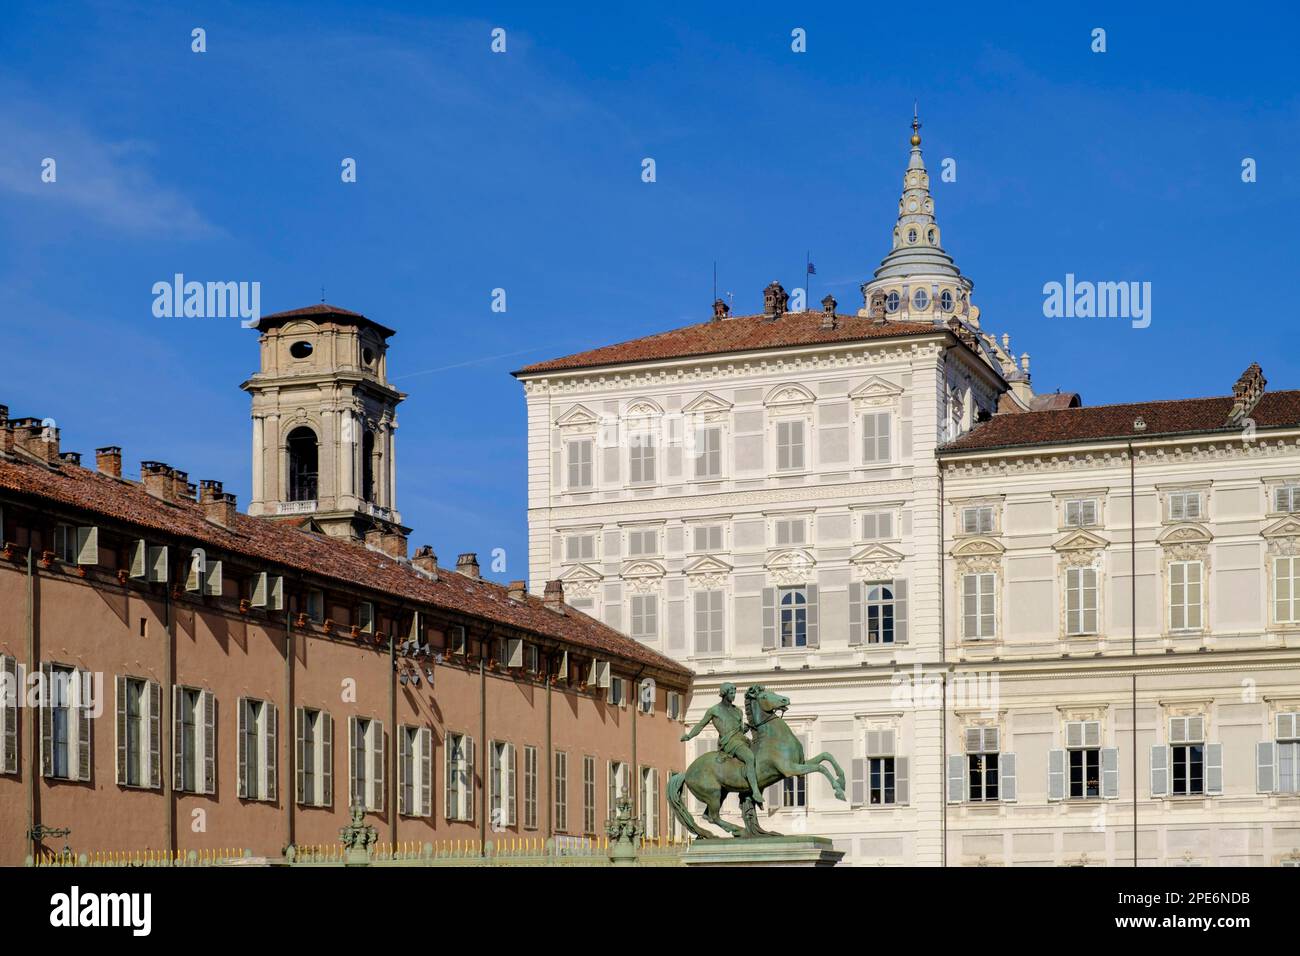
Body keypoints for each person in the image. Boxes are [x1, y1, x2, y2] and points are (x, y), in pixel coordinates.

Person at [681, 682, 763, 807]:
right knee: (750, 757)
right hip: (730, 743)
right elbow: (700, 725)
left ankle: (745, 793)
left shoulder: (738, 711)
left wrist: (745, 728)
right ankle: (755, 792)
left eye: (734, 693)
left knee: (761, 756)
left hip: (742, 739)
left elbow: (740, 729)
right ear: (724, 694)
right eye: (731, 693)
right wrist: (689, 735)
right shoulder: (714, 710)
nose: (734, 695)